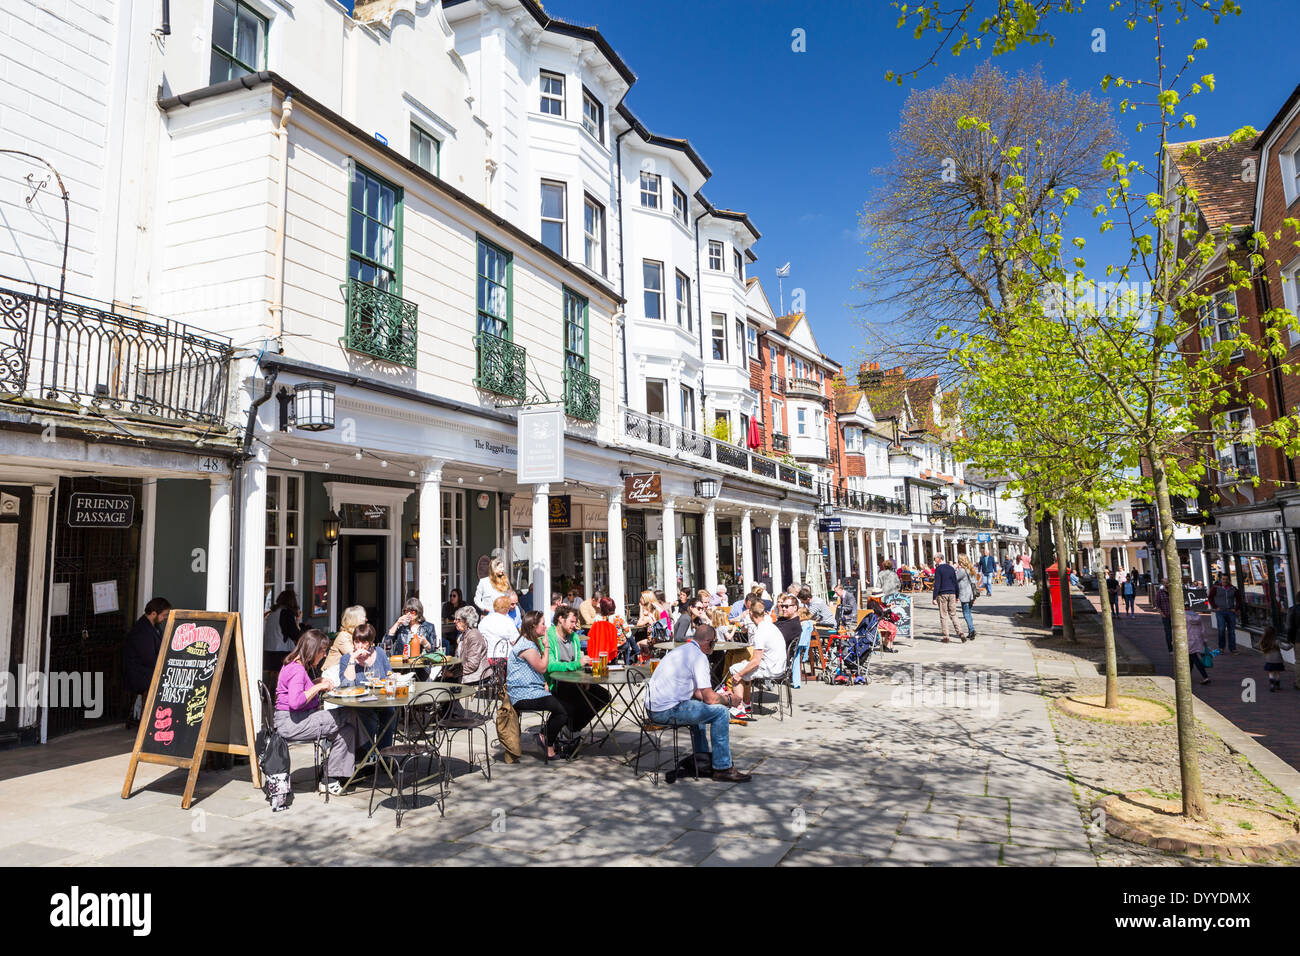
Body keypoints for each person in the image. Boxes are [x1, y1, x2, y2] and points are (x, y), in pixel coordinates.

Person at [645, 624, 751, 782]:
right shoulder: (699, 657)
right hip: (667, 710)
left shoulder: (682, 650)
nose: (714, 647)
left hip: (653, 707)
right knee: (721, 713)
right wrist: (729, 700)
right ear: (708, 642)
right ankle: (723, 768)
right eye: (714, 643)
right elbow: (709, 698)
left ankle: (701, 760)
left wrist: (719, 696)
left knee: (700, 706)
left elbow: (698, 693)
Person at [274, 629, 358, 795]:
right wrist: (320, 686)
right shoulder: (297, 670)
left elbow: (297, 690)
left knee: (347, 731)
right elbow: (296, 701)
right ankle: (368, 754)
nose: (324, 655)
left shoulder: (293, 665)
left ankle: (331, 777)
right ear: (313, 650)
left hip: (295, 719)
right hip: (292, 722)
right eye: (323, 651)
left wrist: (314, 682)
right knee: (349, 714)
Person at [506, 609, 573, 760]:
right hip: (523, 694)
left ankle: (548, 739)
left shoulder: (529, 641)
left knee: (564, 702)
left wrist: (543, 682)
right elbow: (542, 667)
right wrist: (547, 646)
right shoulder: (527, 646)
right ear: (533, 626)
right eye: (543, 624)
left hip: (531, 689)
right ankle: (545, 740)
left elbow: (534, 670)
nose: (546, 627)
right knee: (562, 711)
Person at [545, 605, 608, 739]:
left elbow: (578, 662)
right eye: (572, 622)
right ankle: (568, 728)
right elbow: (550, 666)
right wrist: (576, 664)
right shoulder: (548, 637)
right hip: (557, 683)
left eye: (575, 622)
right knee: (585, 701)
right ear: (560, 619)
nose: (575, 626)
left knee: (604, 696)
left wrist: (584, 679)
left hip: (575, 681)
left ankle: (571, 728)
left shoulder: (574, 637)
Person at [329, 622, 395, 749]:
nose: (360, 646)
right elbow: (346, 685)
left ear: (370, 642)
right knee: (370, 718)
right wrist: (352, 660)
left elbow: (389, 674)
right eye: (356, 641)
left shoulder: (380, 653)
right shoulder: (346, 659)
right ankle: (367, 755)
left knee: (391, 712)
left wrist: (393, 677)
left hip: (380, 700)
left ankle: (385, 755)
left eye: (364, 642)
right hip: (358, 703)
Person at [727, 600, 787, 719]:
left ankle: (739, 709)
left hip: (770, 668)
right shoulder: (771, 626)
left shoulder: (760, 632)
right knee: (745, 667)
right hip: (780, 666)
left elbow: (756, 661)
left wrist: (739, 674)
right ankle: (747, 704)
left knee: (734, 669)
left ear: (750, 614)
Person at [123, 597, 172, 721]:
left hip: (146, 670)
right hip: (139, 674)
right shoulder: (143, 631)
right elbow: (148, 659)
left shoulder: (153, 627)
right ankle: (157, 719)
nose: (165, 618)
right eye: (164, 615)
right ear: (154, 613)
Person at [263, 590, 304, 674]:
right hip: (281, 651)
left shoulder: (272, 612)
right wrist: (297, 622)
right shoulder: (286, 613)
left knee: (272, 677)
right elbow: (294, 634)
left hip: (268, 649)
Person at [931, 555, 968, 643]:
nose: (934, 560)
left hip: (942, 593)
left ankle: (946, 636)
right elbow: (955, 582)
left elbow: (937, 584)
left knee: (943, 615)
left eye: (935, 559)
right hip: (952, 593)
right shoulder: (951, 568)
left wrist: (934, 597)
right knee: (953, 614)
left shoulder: (938, 569)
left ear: (939, 559)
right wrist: (957, 595)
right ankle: (960, 632)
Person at [773, 594, 805, 688]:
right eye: (782, 606)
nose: (783, 609)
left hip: (776, 661)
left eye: (786, 606)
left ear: (795, 608)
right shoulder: (783, 619)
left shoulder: (793, 625)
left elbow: (776, 637)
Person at [323, 605, 366, 675]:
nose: (366, 620)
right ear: (356, 621)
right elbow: (356, 656)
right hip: (333, 675)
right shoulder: (343, 637)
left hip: (346, 671)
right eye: (364, 618)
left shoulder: (354, 635)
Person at [452, 606, 491, 683]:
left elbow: (472, 665)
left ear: (466, 621)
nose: (454, 621)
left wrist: (453, 674)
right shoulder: (463, 635)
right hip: (466, 674)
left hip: (475, 678)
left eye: (458, 620)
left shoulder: (474, 636)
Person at [479, 593, 520, 660]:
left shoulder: (484, 621)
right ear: (507, 608)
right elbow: (515, 641)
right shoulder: (508, 621)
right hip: (503, 658)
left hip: (487, 657)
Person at [1208, 573, 1240, 653]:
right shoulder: (1215, 588)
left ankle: (1233, 649)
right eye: (1223, 579)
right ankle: (1221, 648)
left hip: (1230, 612)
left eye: (1226, 579)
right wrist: (1215, 607)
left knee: (1231, 631)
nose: (1225, 581)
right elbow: (1210, 597)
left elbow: (1239, 599)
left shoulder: (1233, 588)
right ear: (1220, 579)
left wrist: (1236, 609)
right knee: (1221, 629)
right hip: (1220, 612)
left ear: (1229, 580)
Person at [585, 596, 623, 662]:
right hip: (617, 642)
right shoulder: (619, 617)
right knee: (628, 642)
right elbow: (627, 631)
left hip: (603, 643)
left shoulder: (597, 618)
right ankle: (630, 660)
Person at [1261, 627, 1293, 692]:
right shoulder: (1277, 641)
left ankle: (1272, 685)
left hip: (1269, 661)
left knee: (1271, 673)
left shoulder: (1264, 642)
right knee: (1278, 673)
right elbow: (1286, 648)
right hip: (1278, 661)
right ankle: (1278, 686)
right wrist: (1292, 644)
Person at [1184, 610, 1211, 685]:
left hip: (1188, 639)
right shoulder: (1197, 616)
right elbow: (1203, 629)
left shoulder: (1182, 616)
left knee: (1194, 658)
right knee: (1191, 658)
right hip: (1198, 639)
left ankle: (1205, 677)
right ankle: (1186, 677)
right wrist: (1205, 640)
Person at [955, 555, 978, 641]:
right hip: (972, 594)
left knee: (966, 613)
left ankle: (972, 630)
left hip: (965, 594)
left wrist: (956, 569)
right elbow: (974, 582)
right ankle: (970, 630)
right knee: (968, 612)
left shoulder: (962, 570)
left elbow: (955, 579)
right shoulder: (971, 569)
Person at [1155, 583, 1173, 652]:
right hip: (1165, 615)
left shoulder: (1172, 591)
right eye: (1166, 583)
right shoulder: (1159, 592)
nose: (1167, 584)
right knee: (1168, 633)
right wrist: (1162, 613)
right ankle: (1170, 649)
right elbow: (1157, 604)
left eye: (1168, 582)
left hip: (1174, 616)